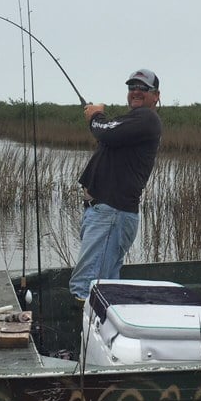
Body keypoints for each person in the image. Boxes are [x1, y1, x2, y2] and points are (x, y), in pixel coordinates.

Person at [69, 68, 162, 301]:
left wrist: (95, 115)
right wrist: (101, 120)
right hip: (107, 214)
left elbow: (105, 132)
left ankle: (87, 334)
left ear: (156, 95)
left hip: (112, 214)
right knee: (106, 287)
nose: (136, 92)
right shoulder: (131, 121)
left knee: (86, 286)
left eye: (143, 88)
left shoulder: (147, 118)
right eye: (132, 87)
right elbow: (110, 132)